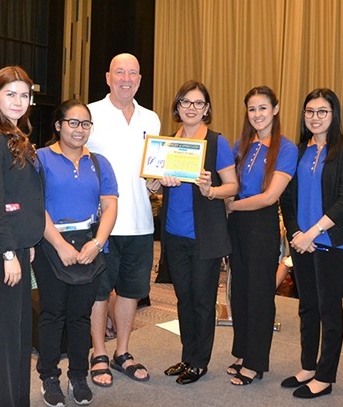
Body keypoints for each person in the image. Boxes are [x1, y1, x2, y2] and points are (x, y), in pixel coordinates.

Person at [34, 99, 118, 407]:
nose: (79, 129)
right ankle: (50, 377)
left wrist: (96, 243)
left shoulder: (99, 163)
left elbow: (110, 206)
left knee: (81, 316)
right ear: (58, 125)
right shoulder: (40, 159)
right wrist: (59, 244)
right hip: (51, 245)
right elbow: (35, 206)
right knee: (53, 314)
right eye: (73, 122)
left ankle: (79, 376)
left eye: (85, 124)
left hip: (89, 246)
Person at [280, 88, 343, 398]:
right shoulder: (299, 150)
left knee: (329, 310)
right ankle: (308, 366)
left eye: (322, 111)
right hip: (302, 241)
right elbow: (287, 198)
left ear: (333, 114)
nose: (315, 117)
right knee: (307, 307)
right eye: (309, 111)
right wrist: (296, 234)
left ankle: (325, 376)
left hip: (330, 241)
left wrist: (313, 232)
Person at [0, 65, 45, 407]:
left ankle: (18, 406)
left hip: (16, 244)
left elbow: (24, 196)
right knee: (4, 334)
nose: (19, 101)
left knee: (18, 331)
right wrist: (8, 253)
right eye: (10, 94)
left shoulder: (13, 133)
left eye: (24, 94)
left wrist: (25, 243)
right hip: (2, 248)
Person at [85, 53, 160, 385]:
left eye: (133, 72)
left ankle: (123, 352)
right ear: (108, 77)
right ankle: (99, 351)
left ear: (140, 79)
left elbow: (151, 175)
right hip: (101, 224)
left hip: (141, 222)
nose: (126, 78)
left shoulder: (152, 119)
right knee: (99, 292)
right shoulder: (89, 114)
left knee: (130, 291)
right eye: (120, 72)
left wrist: (159, 181)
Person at [156, 81, 238, 385]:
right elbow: (153, 184)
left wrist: (211, 190)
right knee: (183, 298)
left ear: (207, 109)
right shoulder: (166, 143)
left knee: (202, 300)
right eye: (185, 102)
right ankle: (187, 355)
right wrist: (155, 182)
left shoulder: (217, 143)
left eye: (198, 103)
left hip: (205, 236)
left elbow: (233, 186)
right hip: (174, 234)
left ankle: (200, 362)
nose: (191, 108)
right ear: (177, 107)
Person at [225, 86, 298, 386]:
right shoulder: (241, 144)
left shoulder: (287, 148)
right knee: (239, 291)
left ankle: (256, 362)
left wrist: (231, 205)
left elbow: (270, 197)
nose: (257, 114)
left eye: (263, 108)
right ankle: (242, 352)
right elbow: (226, 181)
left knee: (259, 294)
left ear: (275, 109)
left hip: (261, 225)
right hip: (237, 227)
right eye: (252, 109)